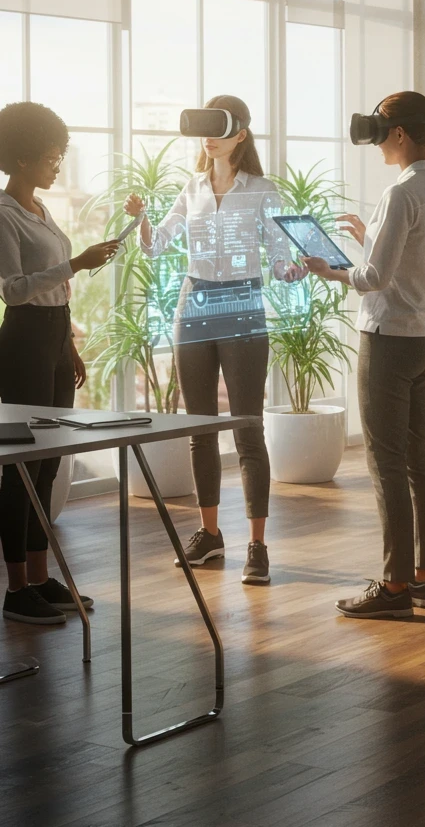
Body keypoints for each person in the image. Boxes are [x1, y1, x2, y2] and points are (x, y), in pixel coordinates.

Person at [125, 94, 305, 586]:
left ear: (240, 134)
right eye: (203, 126)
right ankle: (209, 535)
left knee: (247, 429)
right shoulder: (192, 187)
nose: (208, 136)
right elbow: (156, 246)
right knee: (200, 428)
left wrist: (293, 270)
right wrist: (142, 218)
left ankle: (257, 546)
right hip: (194, 307)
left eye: (217, 127)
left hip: (243, 304)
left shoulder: (263, 190)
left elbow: (279, 257)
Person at [303, 91, 425, 618]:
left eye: (379, 135)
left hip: (390, 340)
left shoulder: (400, 192)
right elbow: (416, 260)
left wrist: (330, 270)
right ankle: (424, 580)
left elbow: (373, 278)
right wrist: (370, 236)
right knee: (419, 460)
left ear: (398, 134)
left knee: (386, 463)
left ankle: (393, 588)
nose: (375, 145)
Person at [0, 102, 118, 624]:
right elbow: (13, 291)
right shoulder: (4, 215)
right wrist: (76, 262)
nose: (57, 166)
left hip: (52, 337)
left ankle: (41, 578)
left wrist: (68, 344)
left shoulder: (41, 210)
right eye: (51, 157)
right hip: (24, 341)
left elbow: (56, 294)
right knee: (22, 469)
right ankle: (16, 590)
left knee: (48, 463)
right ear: (22, 158)